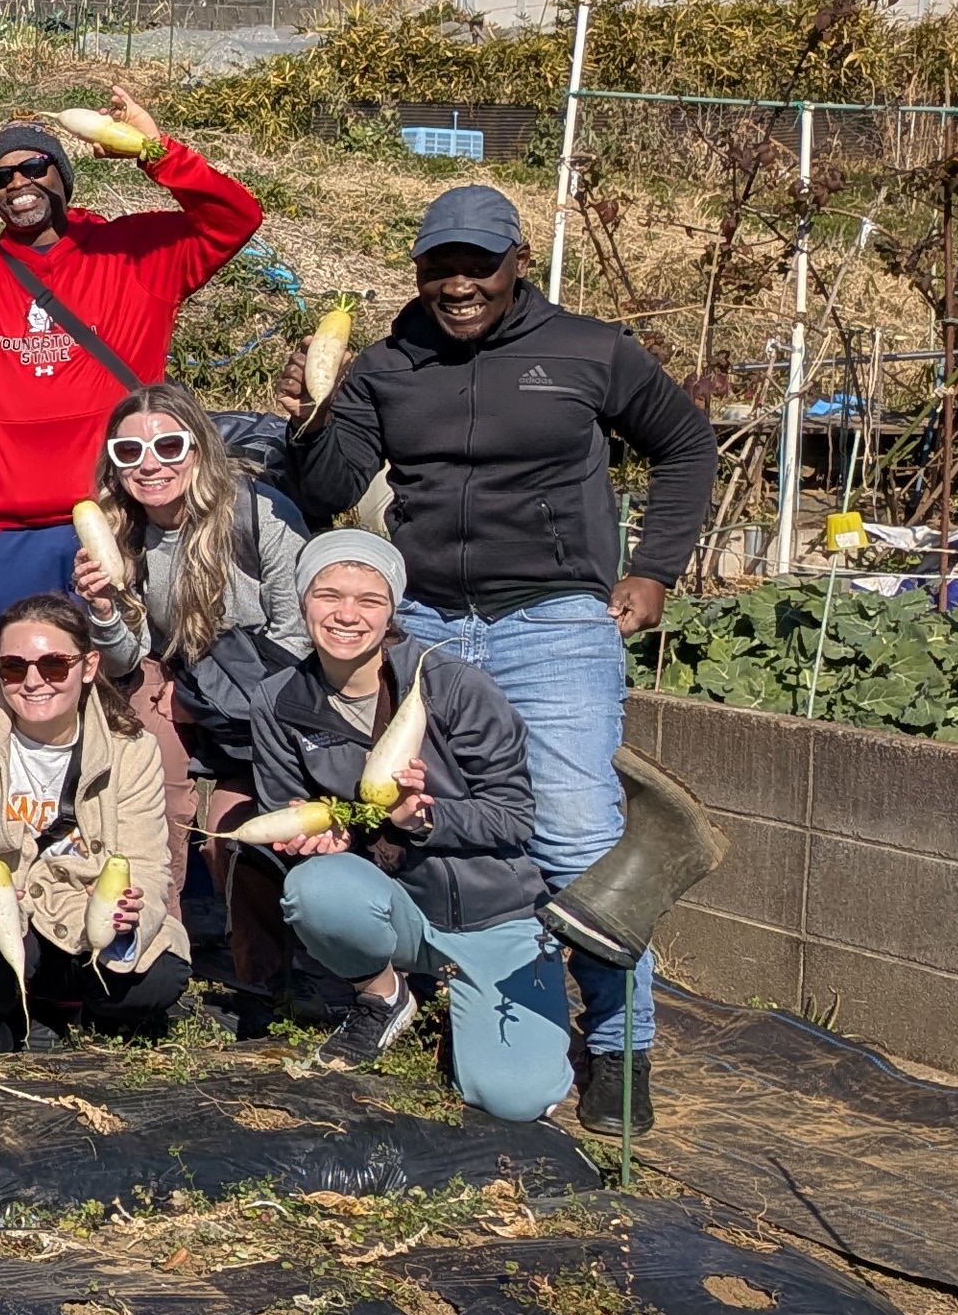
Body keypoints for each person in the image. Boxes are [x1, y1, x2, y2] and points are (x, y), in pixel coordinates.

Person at [280, 183, 713, 1135]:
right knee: (415, 810)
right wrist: (310, 423)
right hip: (430, 623)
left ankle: (620, 1046)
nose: (460, 284)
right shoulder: (386, 368)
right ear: (420, 271)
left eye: (480, 263)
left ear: (519, 262)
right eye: (442, 266)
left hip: (554, 621)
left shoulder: (590, 351)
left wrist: (656, 572)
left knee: (572, 837)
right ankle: (435, 988)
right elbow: (333, 488)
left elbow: (685, 444)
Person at [0, 86, 260, 642]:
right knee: (26, 692)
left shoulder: (136, 253)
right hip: (0, 532)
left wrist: (155, 151)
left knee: (129, 689)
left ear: (61, 172)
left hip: (124, 519)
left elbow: (236, 217)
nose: (17, 184)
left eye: (33, 166)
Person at [242, 532, 576, 1124]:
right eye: (328, 595)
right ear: (302, 601)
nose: (347, 615)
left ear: (392, 609)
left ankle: (484, 1000)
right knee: (314, 888)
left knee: (515, 1098)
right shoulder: (277, 701)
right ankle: (383, 995)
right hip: (390, 905)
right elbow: (285, 806)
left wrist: (426, 819)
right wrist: (320, 843)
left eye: (369, 600)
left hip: (488, 908)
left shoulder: (453, 687)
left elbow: (514, 814)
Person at [73, 382, 308, 1001]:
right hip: (180, 682)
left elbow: (298, 632)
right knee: (149, 773)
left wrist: (221, 705)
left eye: (168, 445)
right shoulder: (120, 531)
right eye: (129, 453)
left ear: (199, 449)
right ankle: (157, 938)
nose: (150, 464)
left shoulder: (260, 516)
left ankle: (263, 974)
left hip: (267, 693)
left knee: (236, 827)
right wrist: (101, 607)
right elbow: (127, 656)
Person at [0, 594, 181, 1055]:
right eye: (13, 666)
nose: (33, 682)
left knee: (159, 978)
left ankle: (73, 1011)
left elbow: (147, 862)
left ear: (88, 666)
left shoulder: (133, 748)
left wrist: (131, 912)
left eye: (54, 665)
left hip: (79, 913)